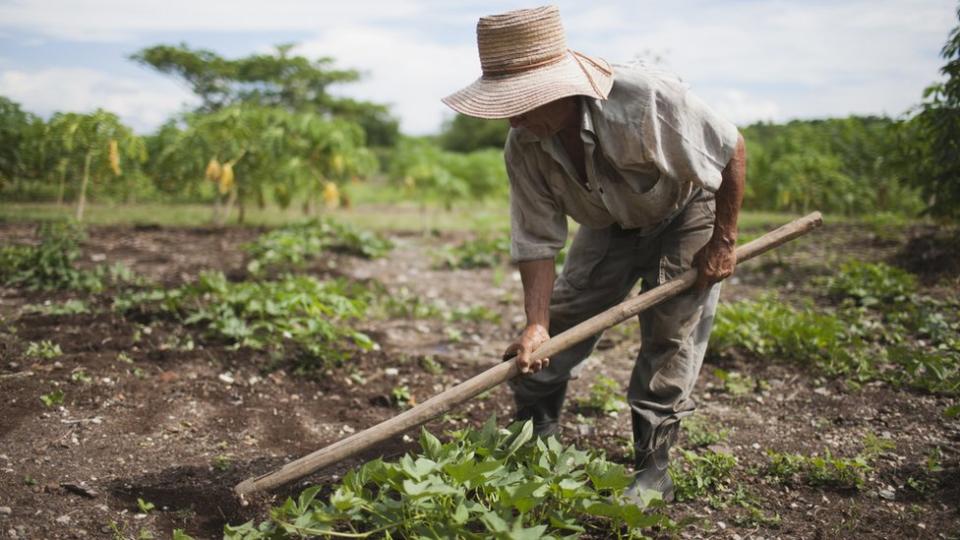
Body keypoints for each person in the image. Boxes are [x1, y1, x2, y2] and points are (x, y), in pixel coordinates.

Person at [442, 5, 746, 502]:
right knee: (558, 325)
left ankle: (654, 469)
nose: (513, 114)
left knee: (672, 332)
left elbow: (730, 148)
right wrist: (535, 323)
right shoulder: (524, 144)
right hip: (607, 225)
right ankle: (536, 436)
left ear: (560, 87)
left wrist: (723, 242)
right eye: (505, 103)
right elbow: (536, 239)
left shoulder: (645, 98)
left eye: (522, 100)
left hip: (685, 210)